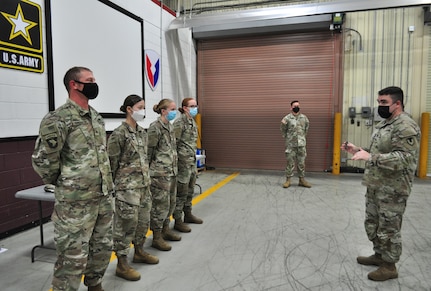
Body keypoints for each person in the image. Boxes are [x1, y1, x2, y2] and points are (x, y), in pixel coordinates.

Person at [31, 66, 113, 291]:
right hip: (75, 204)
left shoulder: (96, 117)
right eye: (89, 80)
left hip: (103, 198)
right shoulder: (58, 118)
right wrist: (68, 182)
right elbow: (44, 161)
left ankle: (95, 284)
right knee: (72, 258)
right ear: (74, 84)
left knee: (102, 248)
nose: (94, 84)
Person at [341, 86, 420, 281]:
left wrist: (371, 156)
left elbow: (405, 158)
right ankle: (379, 255)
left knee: (389, 228)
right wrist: (358, 150)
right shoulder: (386, 124)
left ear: (397, 103)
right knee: (373, 223)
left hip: (393, 188)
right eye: (378, 103)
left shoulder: (405, 126)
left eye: (384, 103)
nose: (380, 106)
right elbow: (379, 151)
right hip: (377, 184)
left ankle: (389, 266)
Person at [108, 95, 159, 282]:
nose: (143, 111)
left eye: (144, 107)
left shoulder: (142, 133)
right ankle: (122, 264)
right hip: (126, 190)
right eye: (140, 107)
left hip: (144, 187)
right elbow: (111, 163)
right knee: (124, 226)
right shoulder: (119, 134)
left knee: (142, 223)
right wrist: (114, 189)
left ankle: (139, 252)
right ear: (129, 109)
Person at [148, 98, 180, 251]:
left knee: (170, 203)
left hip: (172, 171)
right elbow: (149, 152)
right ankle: (157, 236)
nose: (174, 112)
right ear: (163, 111)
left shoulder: (170, 127)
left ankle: (166, 230)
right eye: (172, 109)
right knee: (159, 206)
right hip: (159, 173)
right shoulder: (155, 128)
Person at [173, 98, 203, 233]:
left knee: (190, 191)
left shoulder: (192, 122)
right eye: (192, 106)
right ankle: (178, 221)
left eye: (196, 105)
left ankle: (188, 214)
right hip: (182, 164)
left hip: (191, 163)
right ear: (185, 108)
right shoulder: (180, 123)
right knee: (181, 193)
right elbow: (174, 144)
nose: (195, 108)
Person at [280, 100, 311, 188]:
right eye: (294, 106)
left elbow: (306, 129)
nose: (296, 107)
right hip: (291, 145)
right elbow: (283, 130)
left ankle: (301, 180)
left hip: (301, 145)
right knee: (290, 163)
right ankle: (288, 180)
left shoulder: (304, 118)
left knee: (301, 163)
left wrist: (302, 138)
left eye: (298, 106)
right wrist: (288, 139)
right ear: (291, 107)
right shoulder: (286, 118)